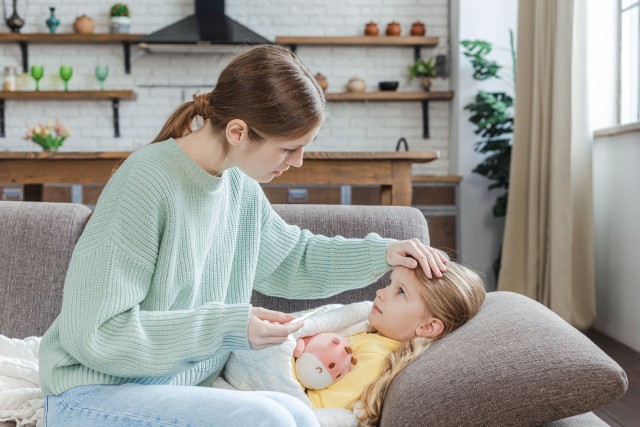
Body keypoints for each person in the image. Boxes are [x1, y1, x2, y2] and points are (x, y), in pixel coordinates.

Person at [38, 44, 448, 427]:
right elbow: (96, 333)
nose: (298, 162)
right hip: (92, 393)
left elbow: (292, 259)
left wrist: (384, 253)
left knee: (296, 413)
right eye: (289, 148)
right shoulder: (145, 181)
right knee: (269, 420)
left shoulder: (239, 186)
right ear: (237, 132)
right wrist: (227, 325)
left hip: (170, 389)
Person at [304, 261, 486, 427]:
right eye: (390, 284)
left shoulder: (375, 358)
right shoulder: (372, 335)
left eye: (400, 292)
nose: (380, 293)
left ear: (428, 326)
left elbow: (315, 408)